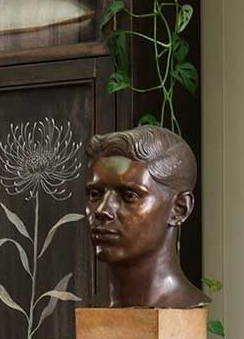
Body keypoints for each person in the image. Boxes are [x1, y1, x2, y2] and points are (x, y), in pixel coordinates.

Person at [84, 125, 208, 309]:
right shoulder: (94, 309)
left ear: (179, 209)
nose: (102, 210)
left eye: (129, 195)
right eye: (95, 194)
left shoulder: (181, 308)